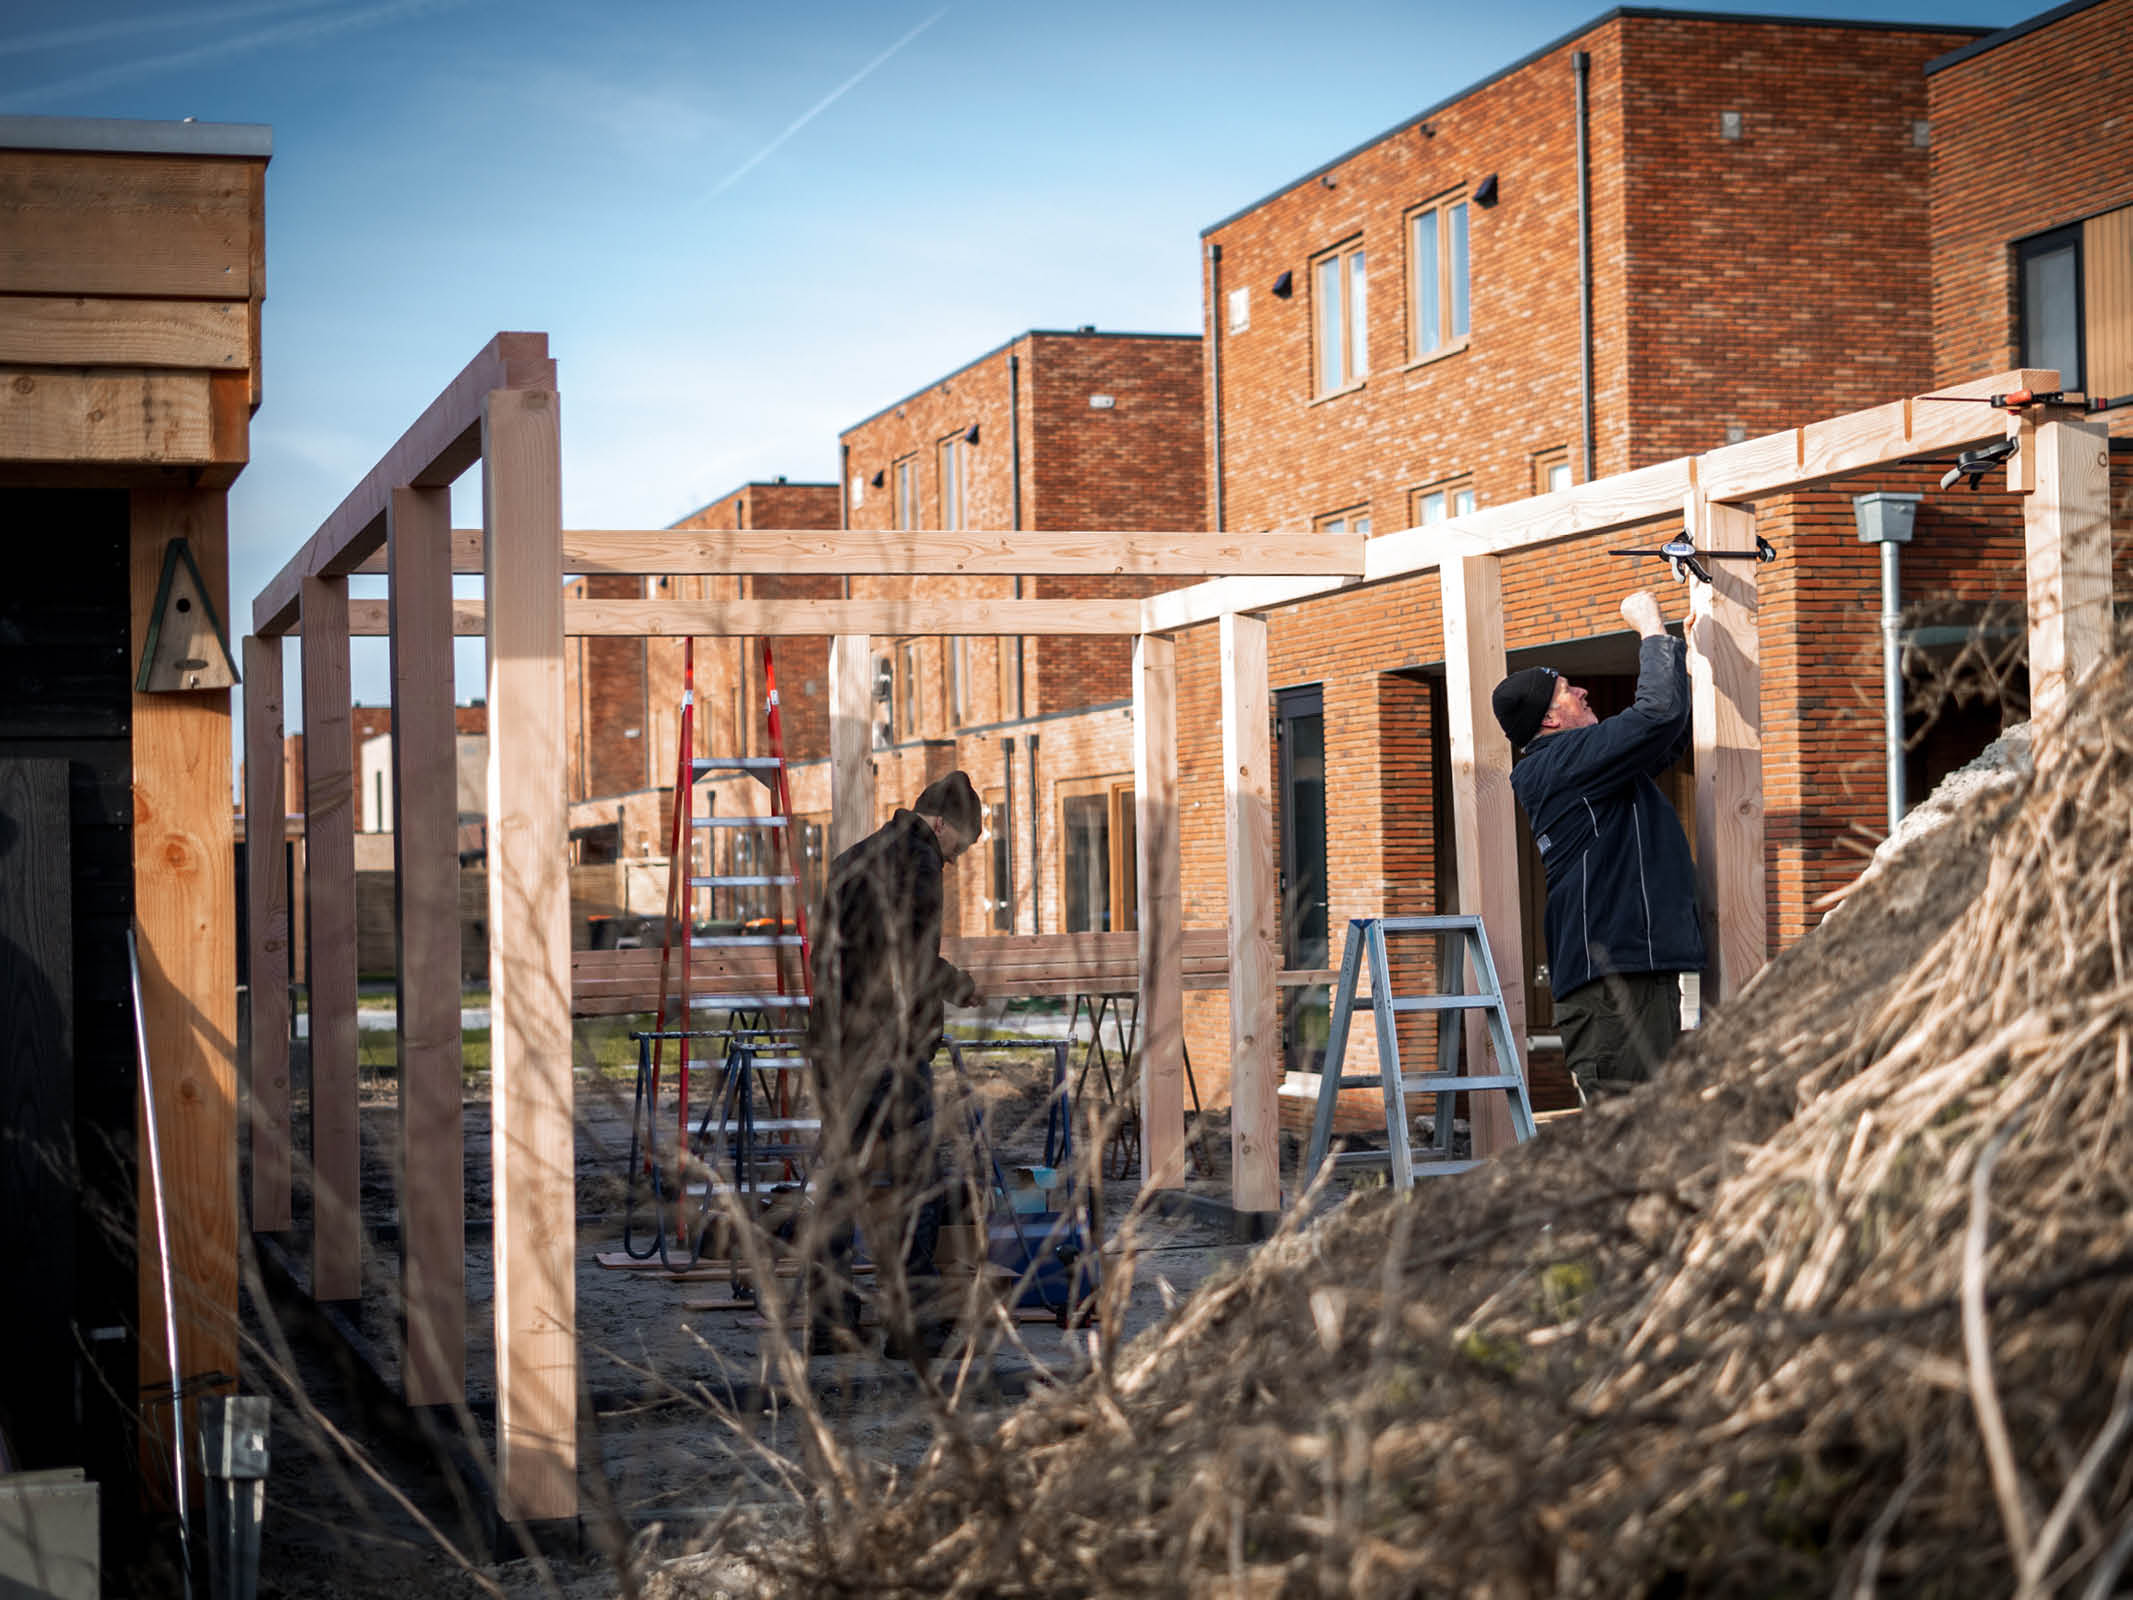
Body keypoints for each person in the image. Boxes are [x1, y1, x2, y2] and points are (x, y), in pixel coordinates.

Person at [1491, 589, 1705, 1104]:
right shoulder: (1557, 766)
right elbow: (1654, 716)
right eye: (1566, 690)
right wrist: (1651, 630)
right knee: (1629, 1143)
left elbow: (1667, 734)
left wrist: (1681, 658)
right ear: (1548, 720)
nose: (1582, 690)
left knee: (1650, 1137)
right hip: (1612, 988)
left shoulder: (1590, 770)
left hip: (1631, 978)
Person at [805, 769, 983, 1358]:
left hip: (837, 1049)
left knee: (838, 1181)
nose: (953, 860)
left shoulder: (853, 858)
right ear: (939, 824)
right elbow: (908, 961)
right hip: (890, 1053)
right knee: (919, 1184)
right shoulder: (919, 862)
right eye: (957, 845)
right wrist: (959, 985)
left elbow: (825, 957)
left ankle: (829, 1319)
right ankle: (914, 1328)